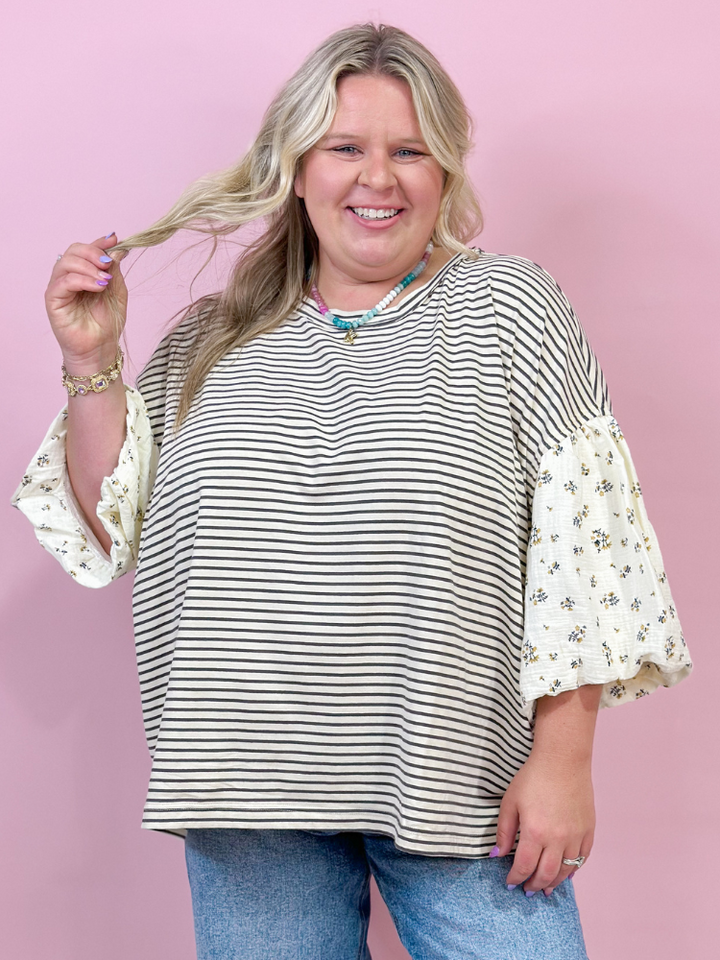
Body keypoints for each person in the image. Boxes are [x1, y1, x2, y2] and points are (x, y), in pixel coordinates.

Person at [13, 23, 691, 960]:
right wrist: (91, 361)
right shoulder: (212, 337)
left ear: (445, 171)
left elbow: (588, 542)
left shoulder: (510, 310)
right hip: (243, 783)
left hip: (456, 770)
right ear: (296, 169)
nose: (379, 178)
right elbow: (110, 526)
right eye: (345, 148)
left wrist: (564, 762)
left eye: (410, 150)